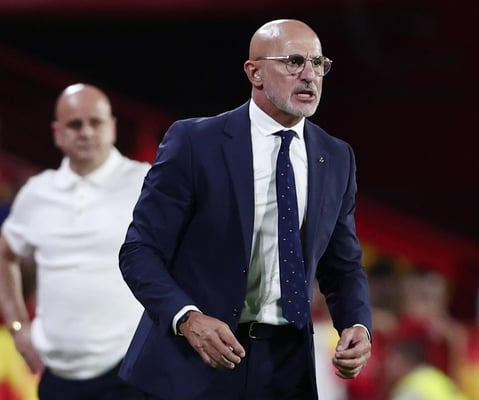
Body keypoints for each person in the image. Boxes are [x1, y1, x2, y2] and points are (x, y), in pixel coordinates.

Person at [118, 18, 373, 400]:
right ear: (255, 73)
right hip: (195, 360)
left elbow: (343, 264)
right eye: (293, 62)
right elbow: (139, 251)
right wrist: (187, 318)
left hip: (287, 367)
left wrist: (356, 324)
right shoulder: (195, 142)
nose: (309, 75)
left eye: (318, 63)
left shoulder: (336, 156)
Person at [0, 83, 150, 399]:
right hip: (56, 376)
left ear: (112, 127)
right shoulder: (37, 192)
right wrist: (17, 327)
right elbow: (5, 253)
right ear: (57, 133)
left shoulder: (146, 183)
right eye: (74, 124)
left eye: (95, 122)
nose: (86, 132)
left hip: (130, 370)